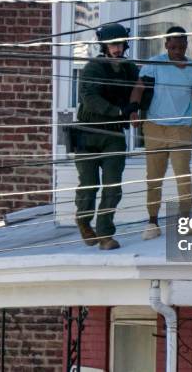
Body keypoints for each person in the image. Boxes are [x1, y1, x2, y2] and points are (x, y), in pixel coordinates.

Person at [128, 26, 192, 239]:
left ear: (186, 45)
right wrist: (133, 110)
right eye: (173, 47)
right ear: (166, 46)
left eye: (181, 46)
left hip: (181, 128)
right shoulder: (154, 64)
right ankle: (152, 222)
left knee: (183, 175)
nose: (177, 51)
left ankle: (185, 220)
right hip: (154, 126)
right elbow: (139, 87)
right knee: (153, 177)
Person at [74, 23, 139, 250]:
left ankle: (105, 233)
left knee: (113, 185)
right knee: (89, 184)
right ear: (104, 45)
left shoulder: (130, 68)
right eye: (113, 44)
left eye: (120, 44)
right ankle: (83, 221)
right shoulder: (93, 67)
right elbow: (89, 96)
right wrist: (118, 111)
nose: (117, 48)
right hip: (87, 131)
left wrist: (135, 109)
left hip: (113, 133)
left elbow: (139, 90)